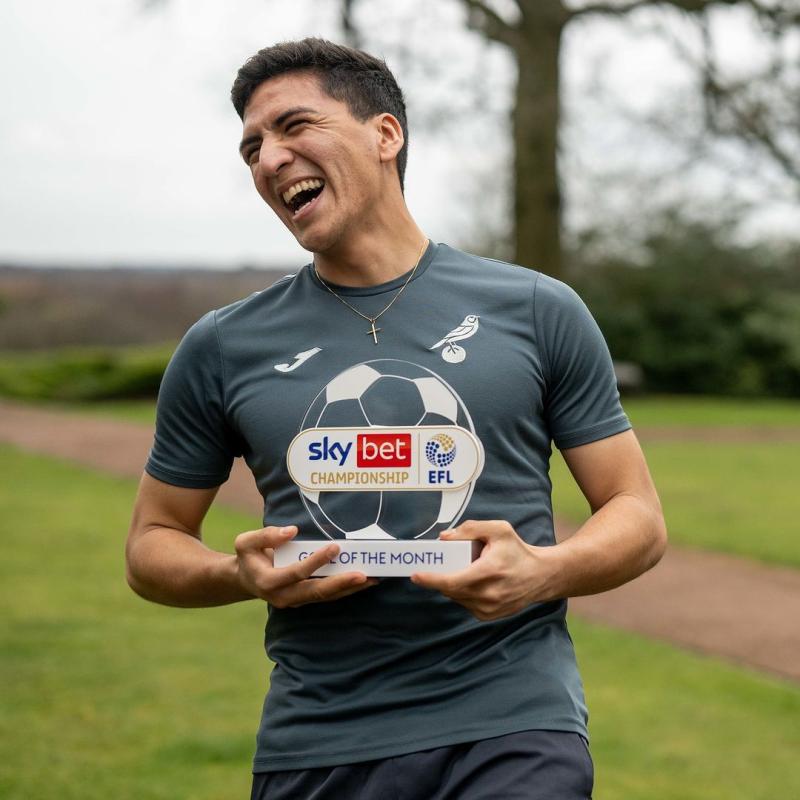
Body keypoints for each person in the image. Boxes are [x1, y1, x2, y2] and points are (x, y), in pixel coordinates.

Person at [126, 37, 667, 800]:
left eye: (293, 126)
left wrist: (542, 572)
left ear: (386, 135)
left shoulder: (538, 310)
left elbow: (637, 514)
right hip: (318, 739)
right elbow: (152, 545)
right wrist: (237, 575)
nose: (268, 159)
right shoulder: (222, 346)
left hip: (512, 724)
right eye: (251, 147)